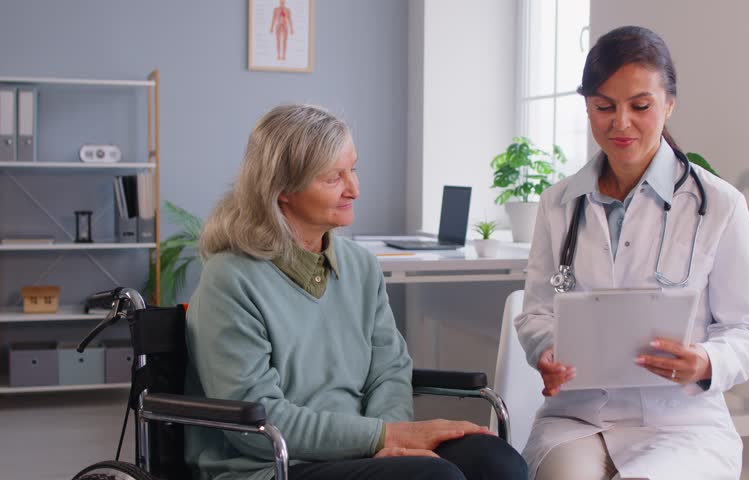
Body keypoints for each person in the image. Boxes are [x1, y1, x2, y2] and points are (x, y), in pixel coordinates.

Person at [185, 104, 527, 480]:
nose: (355, 189)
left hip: (363, 449)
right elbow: (257, 426)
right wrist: (381, 437)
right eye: (334, 178)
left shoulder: (360, 266)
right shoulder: (231, 280)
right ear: (282, 191)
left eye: (353, 169)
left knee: (498, 463)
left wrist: (391, 443)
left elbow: (389, 371)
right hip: (274, 465)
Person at [515, 26, 749, 480]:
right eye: (604, 107)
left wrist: (706, 362)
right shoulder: (558, 204)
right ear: (588, 106)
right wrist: (548, 351)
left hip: (682, 424)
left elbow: (747, 332)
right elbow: (536, 312)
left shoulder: (720, 205)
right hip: (579, 419)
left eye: (641, 105)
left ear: (669, 103)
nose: (621, 123)